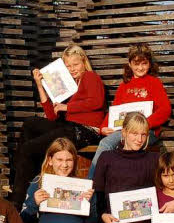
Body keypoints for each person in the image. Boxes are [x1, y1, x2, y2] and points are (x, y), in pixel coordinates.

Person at [10, 44, 105, 207]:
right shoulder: (66, 85)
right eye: (68, 65)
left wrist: (67, 107)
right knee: (29, 124)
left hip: (85, 129)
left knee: (28, 148)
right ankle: (27, 182)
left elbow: (96, 102)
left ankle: (18, 201)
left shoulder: (90, 77)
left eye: (76, 64)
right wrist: (40, 85)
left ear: (83, 62)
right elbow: (52, 115)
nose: (72, 69)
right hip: (66, 126)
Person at [88, 44, 171, 177]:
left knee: (107, 144)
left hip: (147, 131)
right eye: (136, 64)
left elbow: (165, 109)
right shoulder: (124, 86)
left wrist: (144, 124)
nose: (140, 68)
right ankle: (93, 186)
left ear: (149, 64)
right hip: (125, 131)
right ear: (130, 64)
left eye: (144, 63)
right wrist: (104, 127)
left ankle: (90, 186)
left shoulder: (154, 83)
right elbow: (114, 111)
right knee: (108, 143)